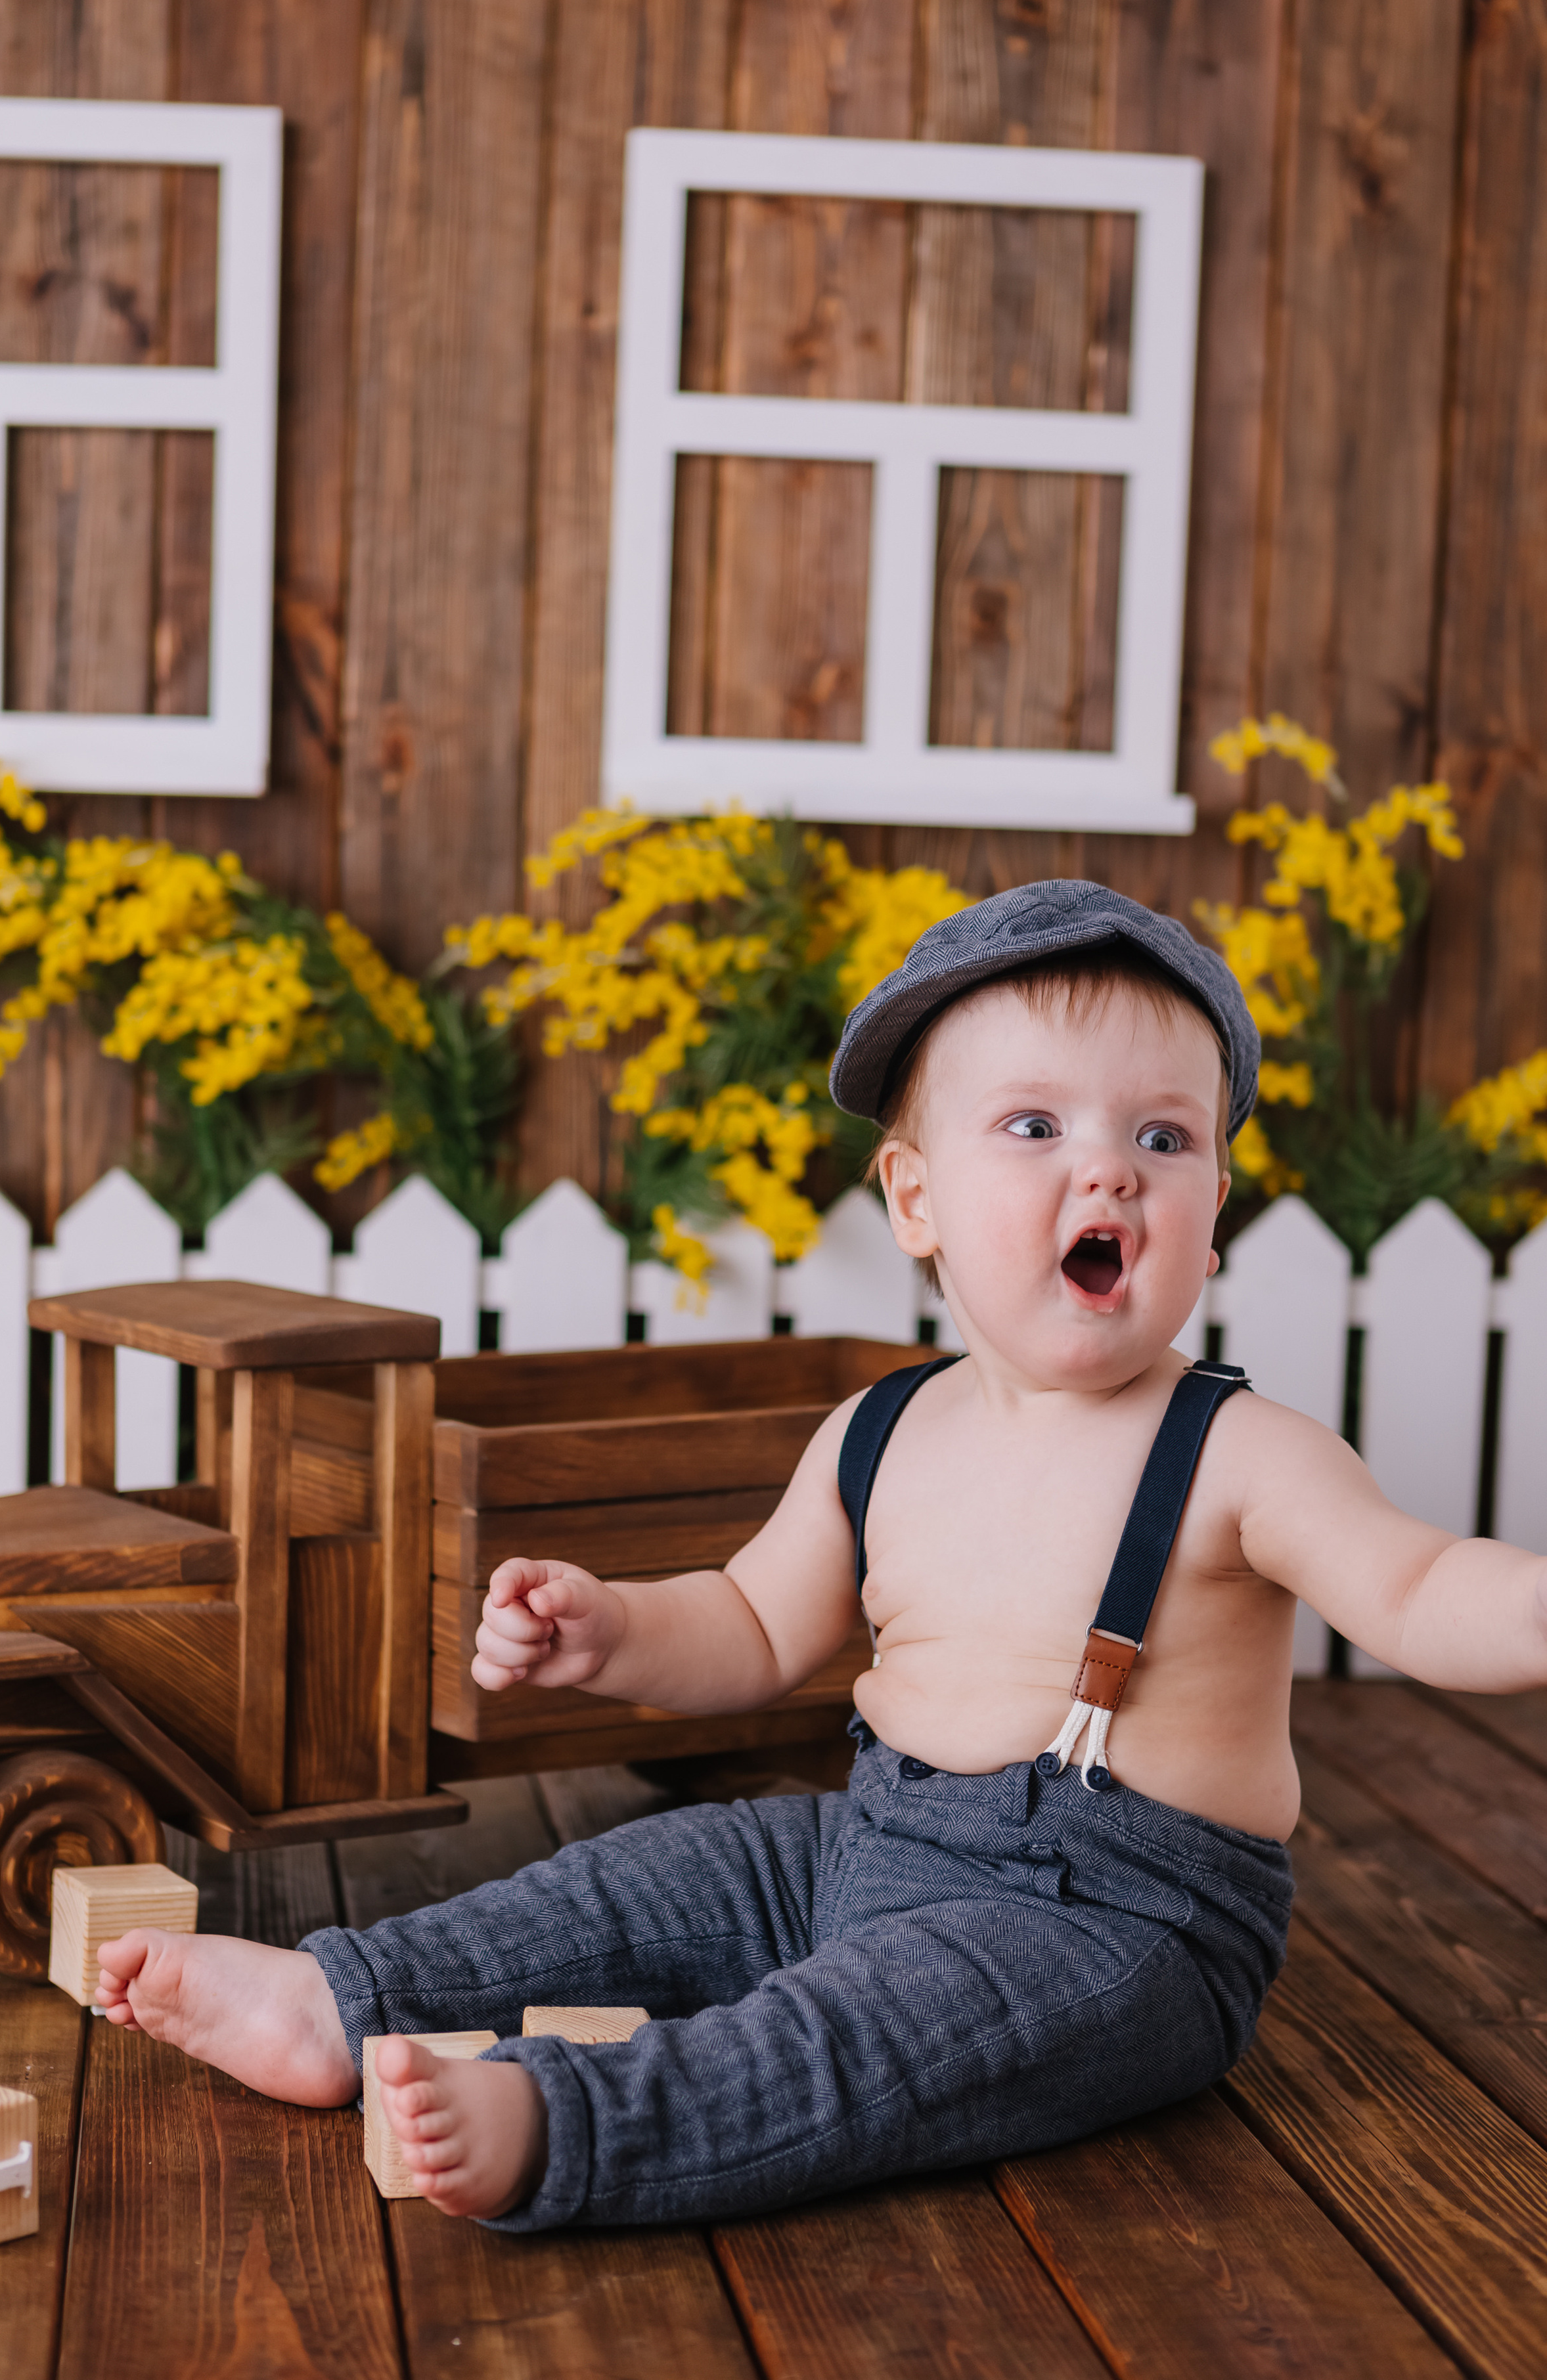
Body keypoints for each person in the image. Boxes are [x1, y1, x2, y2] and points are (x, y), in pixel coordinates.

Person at [91, 877, 1547, 2231]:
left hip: (1119, 1925)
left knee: (852, 2038)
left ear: (1211, 1212)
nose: (1107, 1171)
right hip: (870, 1842)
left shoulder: (1243, 1451)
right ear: (915, 1200)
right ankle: (337, 2000)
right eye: (1034, 1127)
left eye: (1161, 1140)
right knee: (644, 1879)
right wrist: (613, 1631)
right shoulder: (881, 1430)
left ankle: (570, 2126)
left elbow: (1419, 1588)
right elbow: (750, 1626)